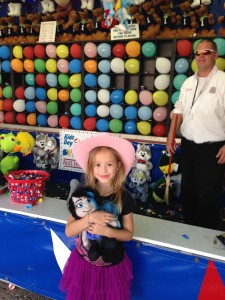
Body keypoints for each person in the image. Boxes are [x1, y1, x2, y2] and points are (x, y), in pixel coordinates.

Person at [60, 133, 136, 300]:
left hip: (112, 265)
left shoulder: (124, 197)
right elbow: (69, 231)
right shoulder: (82, 194)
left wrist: (109, 232)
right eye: (98, 165)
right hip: (83, 263)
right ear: (90, 167)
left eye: (109, 164)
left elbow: (128, 234)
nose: (103, 170)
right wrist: (90, 218)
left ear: (118, 166)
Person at [166, 39, 225, 230]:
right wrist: (171, 134)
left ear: (215, 56)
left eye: (206, 52)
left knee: (207, 195)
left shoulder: (222, 81)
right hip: (189, 145)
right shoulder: (189, 82)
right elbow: (179, 109)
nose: (201, 56)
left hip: (213, 148)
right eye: (198, 53)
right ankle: (189, 230)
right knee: (189, 191)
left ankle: (205, 235)